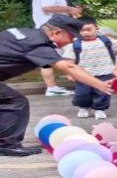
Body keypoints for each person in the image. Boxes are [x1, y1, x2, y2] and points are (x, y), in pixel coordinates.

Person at [0, 15, 111, 157]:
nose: (71, 41)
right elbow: (69, 67)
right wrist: (99, 84)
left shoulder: (24, 33)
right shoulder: (37, 46)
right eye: (71, 37)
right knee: (16, 102)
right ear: (57, 33)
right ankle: (7, 145)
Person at [30, 0, 81, 97]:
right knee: (74, 52)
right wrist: (70, 9)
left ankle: (53, 87)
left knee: (49, 59)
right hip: (52, 29)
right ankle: (83, 82)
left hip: (48, 29)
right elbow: (47, 7)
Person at [63, 18, 117, 120]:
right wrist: (70, 73)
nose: (85, 33)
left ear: (96, 28)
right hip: (83, 75)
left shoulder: (105, 41)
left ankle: (100, 109)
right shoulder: (74, 45)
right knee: (82, 93)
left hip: (105, 72)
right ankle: (84, 107)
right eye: (82, 30)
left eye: (89, 29)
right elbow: (69, 61)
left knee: (102, 92)